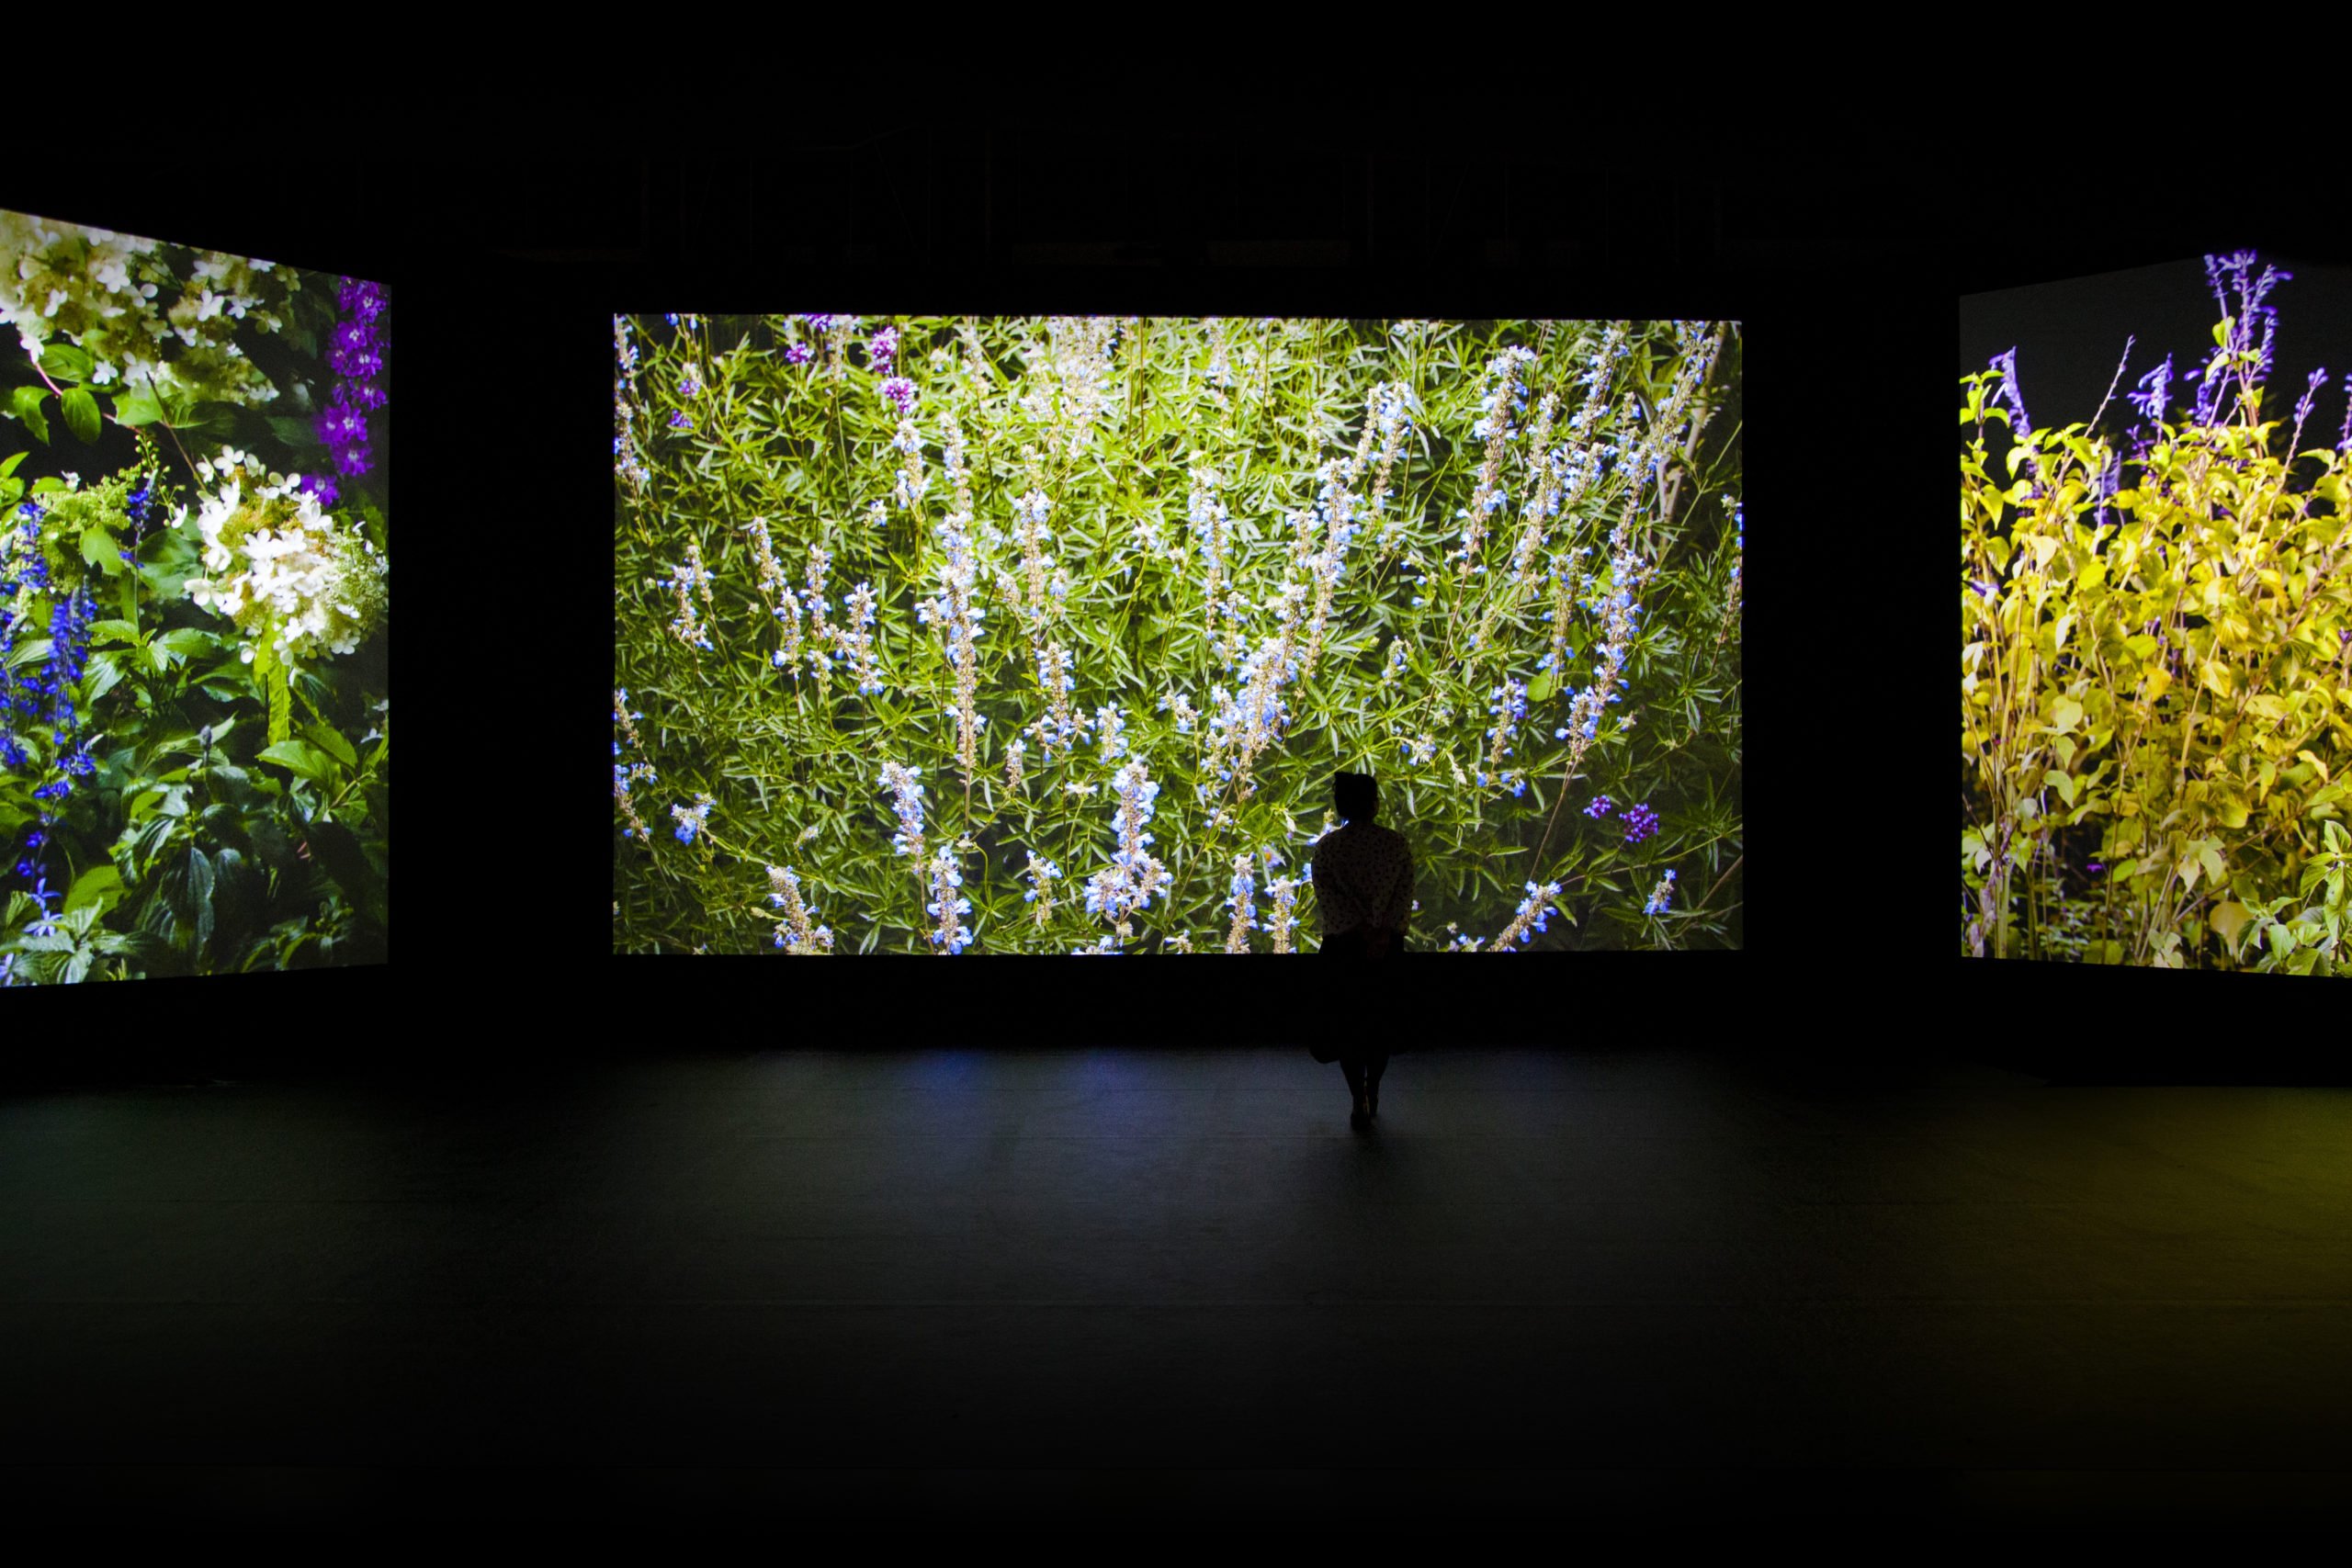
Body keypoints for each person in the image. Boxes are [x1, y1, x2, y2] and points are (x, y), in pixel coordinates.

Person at [1307, 770, 1414, 1130]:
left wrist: (1359, 930)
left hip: (1343, 949)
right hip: (1386, 949)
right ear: (1374, 804)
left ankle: (1357, 1096)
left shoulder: (1327, 847)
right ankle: (1374, 1086)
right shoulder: (1395, 843)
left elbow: (1328, 899)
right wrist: (1384, 933)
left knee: (1347, 1026)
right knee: (1382, 1024)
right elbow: (1403, 895)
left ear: (1340, 806)